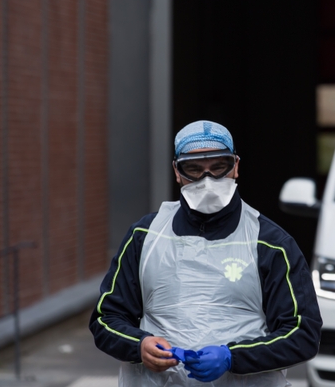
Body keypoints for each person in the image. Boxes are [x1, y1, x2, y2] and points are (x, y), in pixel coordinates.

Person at [90, 120, 322, 386]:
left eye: (218, 167)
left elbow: (303, 333)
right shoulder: (145, 237)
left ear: (235, 166)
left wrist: (233, 357)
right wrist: (139, 346)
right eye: (194, 169)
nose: (208, 180)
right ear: (177, 172)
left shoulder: (270, 244)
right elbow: (106, 318)